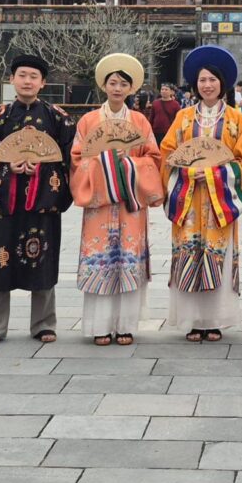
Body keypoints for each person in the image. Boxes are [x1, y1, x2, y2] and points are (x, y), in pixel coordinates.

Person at [0, 55, 75, 346]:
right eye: (22, 75)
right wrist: (5, 167)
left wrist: (45, 167)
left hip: (43, 204)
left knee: (44, 260)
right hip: (5, 205)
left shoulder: (57, 117)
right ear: (12, 80)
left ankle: (44, 324)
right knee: (0, 262)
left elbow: (72, 159)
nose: (27, 81)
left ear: (43, 82)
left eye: (33, 76)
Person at [160, 46, 242, 343]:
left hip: (219, 203)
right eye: (202, 80)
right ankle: (192, 319)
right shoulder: (184, 118)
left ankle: (213, 320)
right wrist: (187, 173)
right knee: (189, 252)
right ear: (195, 84)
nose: (207, 85)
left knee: (217, 256)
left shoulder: (237, 120)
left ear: (222, 84)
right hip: (188, 199)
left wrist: (214, 174)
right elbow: (168, 155)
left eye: (213, 79)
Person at [70, 54, 164, 346]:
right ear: (104, 86)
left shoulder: (139, 121)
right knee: (101, 259)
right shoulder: (88, 121)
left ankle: (126, 325)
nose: (117, 88)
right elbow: (76, 159)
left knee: (128, 259)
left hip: (129, 203)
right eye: (112, 82)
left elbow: (154, 157)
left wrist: (128, 164)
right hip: (100, 205)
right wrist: (101, 162)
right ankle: (99, 325)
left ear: (131, 88)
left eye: (123, 83)